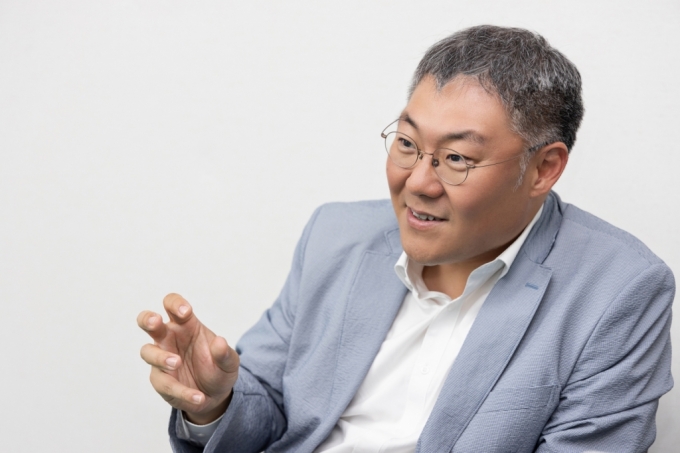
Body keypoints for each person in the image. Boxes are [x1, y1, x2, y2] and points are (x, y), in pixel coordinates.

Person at [137, 25, 674, 452]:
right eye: (408, 144)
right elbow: (271, 410)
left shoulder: (619, 289)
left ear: (543, 168)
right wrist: (215, 400)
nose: (418, 182)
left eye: (457, 158)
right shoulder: (334, 235)